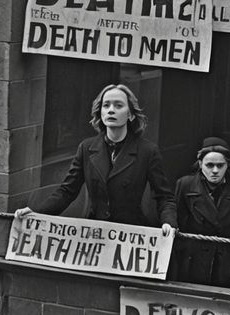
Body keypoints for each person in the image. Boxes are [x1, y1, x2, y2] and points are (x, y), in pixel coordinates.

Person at [23, 82, 177, 230]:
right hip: (95, 233)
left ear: (130, 114)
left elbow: (165, 197)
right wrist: (36, 213)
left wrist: (168, 223)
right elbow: (67, 191)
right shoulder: (86, 148)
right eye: (106, 105)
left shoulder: (148, 151)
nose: (111, 110)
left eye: (118, 105)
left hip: (131, 235)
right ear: (100, 112)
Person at [172, 136, 230, 289]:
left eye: (220, 165)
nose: (215, 171)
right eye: (209, 165)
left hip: (226, 267)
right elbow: (176, 221)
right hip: (191, 262)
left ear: (227, 166)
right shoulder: (185, 186)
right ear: (200, 164)